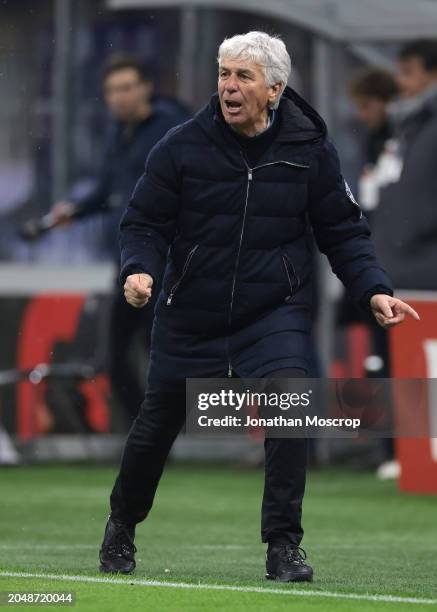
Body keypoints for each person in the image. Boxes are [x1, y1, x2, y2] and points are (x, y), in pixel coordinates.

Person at [98, 31, 419, 582]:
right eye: (223, 74)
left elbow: (343, 231)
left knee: (290, 409)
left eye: (243, 76)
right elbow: (143, 223)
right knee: (155, 427)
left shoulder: (310, 148)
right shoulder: (180, 145)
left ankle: (283, 545)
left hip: (273, 310)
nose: (228, 86)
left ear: (274, 89)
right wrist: (139, 270)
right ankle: (121, 525)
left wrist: (374, 289)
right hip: (190, 311)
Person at [50, 54, 190, 422]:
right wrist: (75, 210)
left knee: (169, 355)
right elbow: (110, 190)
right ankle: (148, 432)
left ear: (145, 88)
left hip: (170, 263)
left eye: (127, 87)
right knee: (115, 358)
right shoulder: (117, 133)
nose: (119, 97)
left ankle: (182, 433)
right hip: (129, 262)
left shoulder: (172, 127)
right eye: (112, 90)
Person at [373, 39, 437, 291]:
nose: (400, 82)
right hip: (397, 265)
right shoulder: (409, 124)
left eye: (408, 72)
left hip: (424, 268)